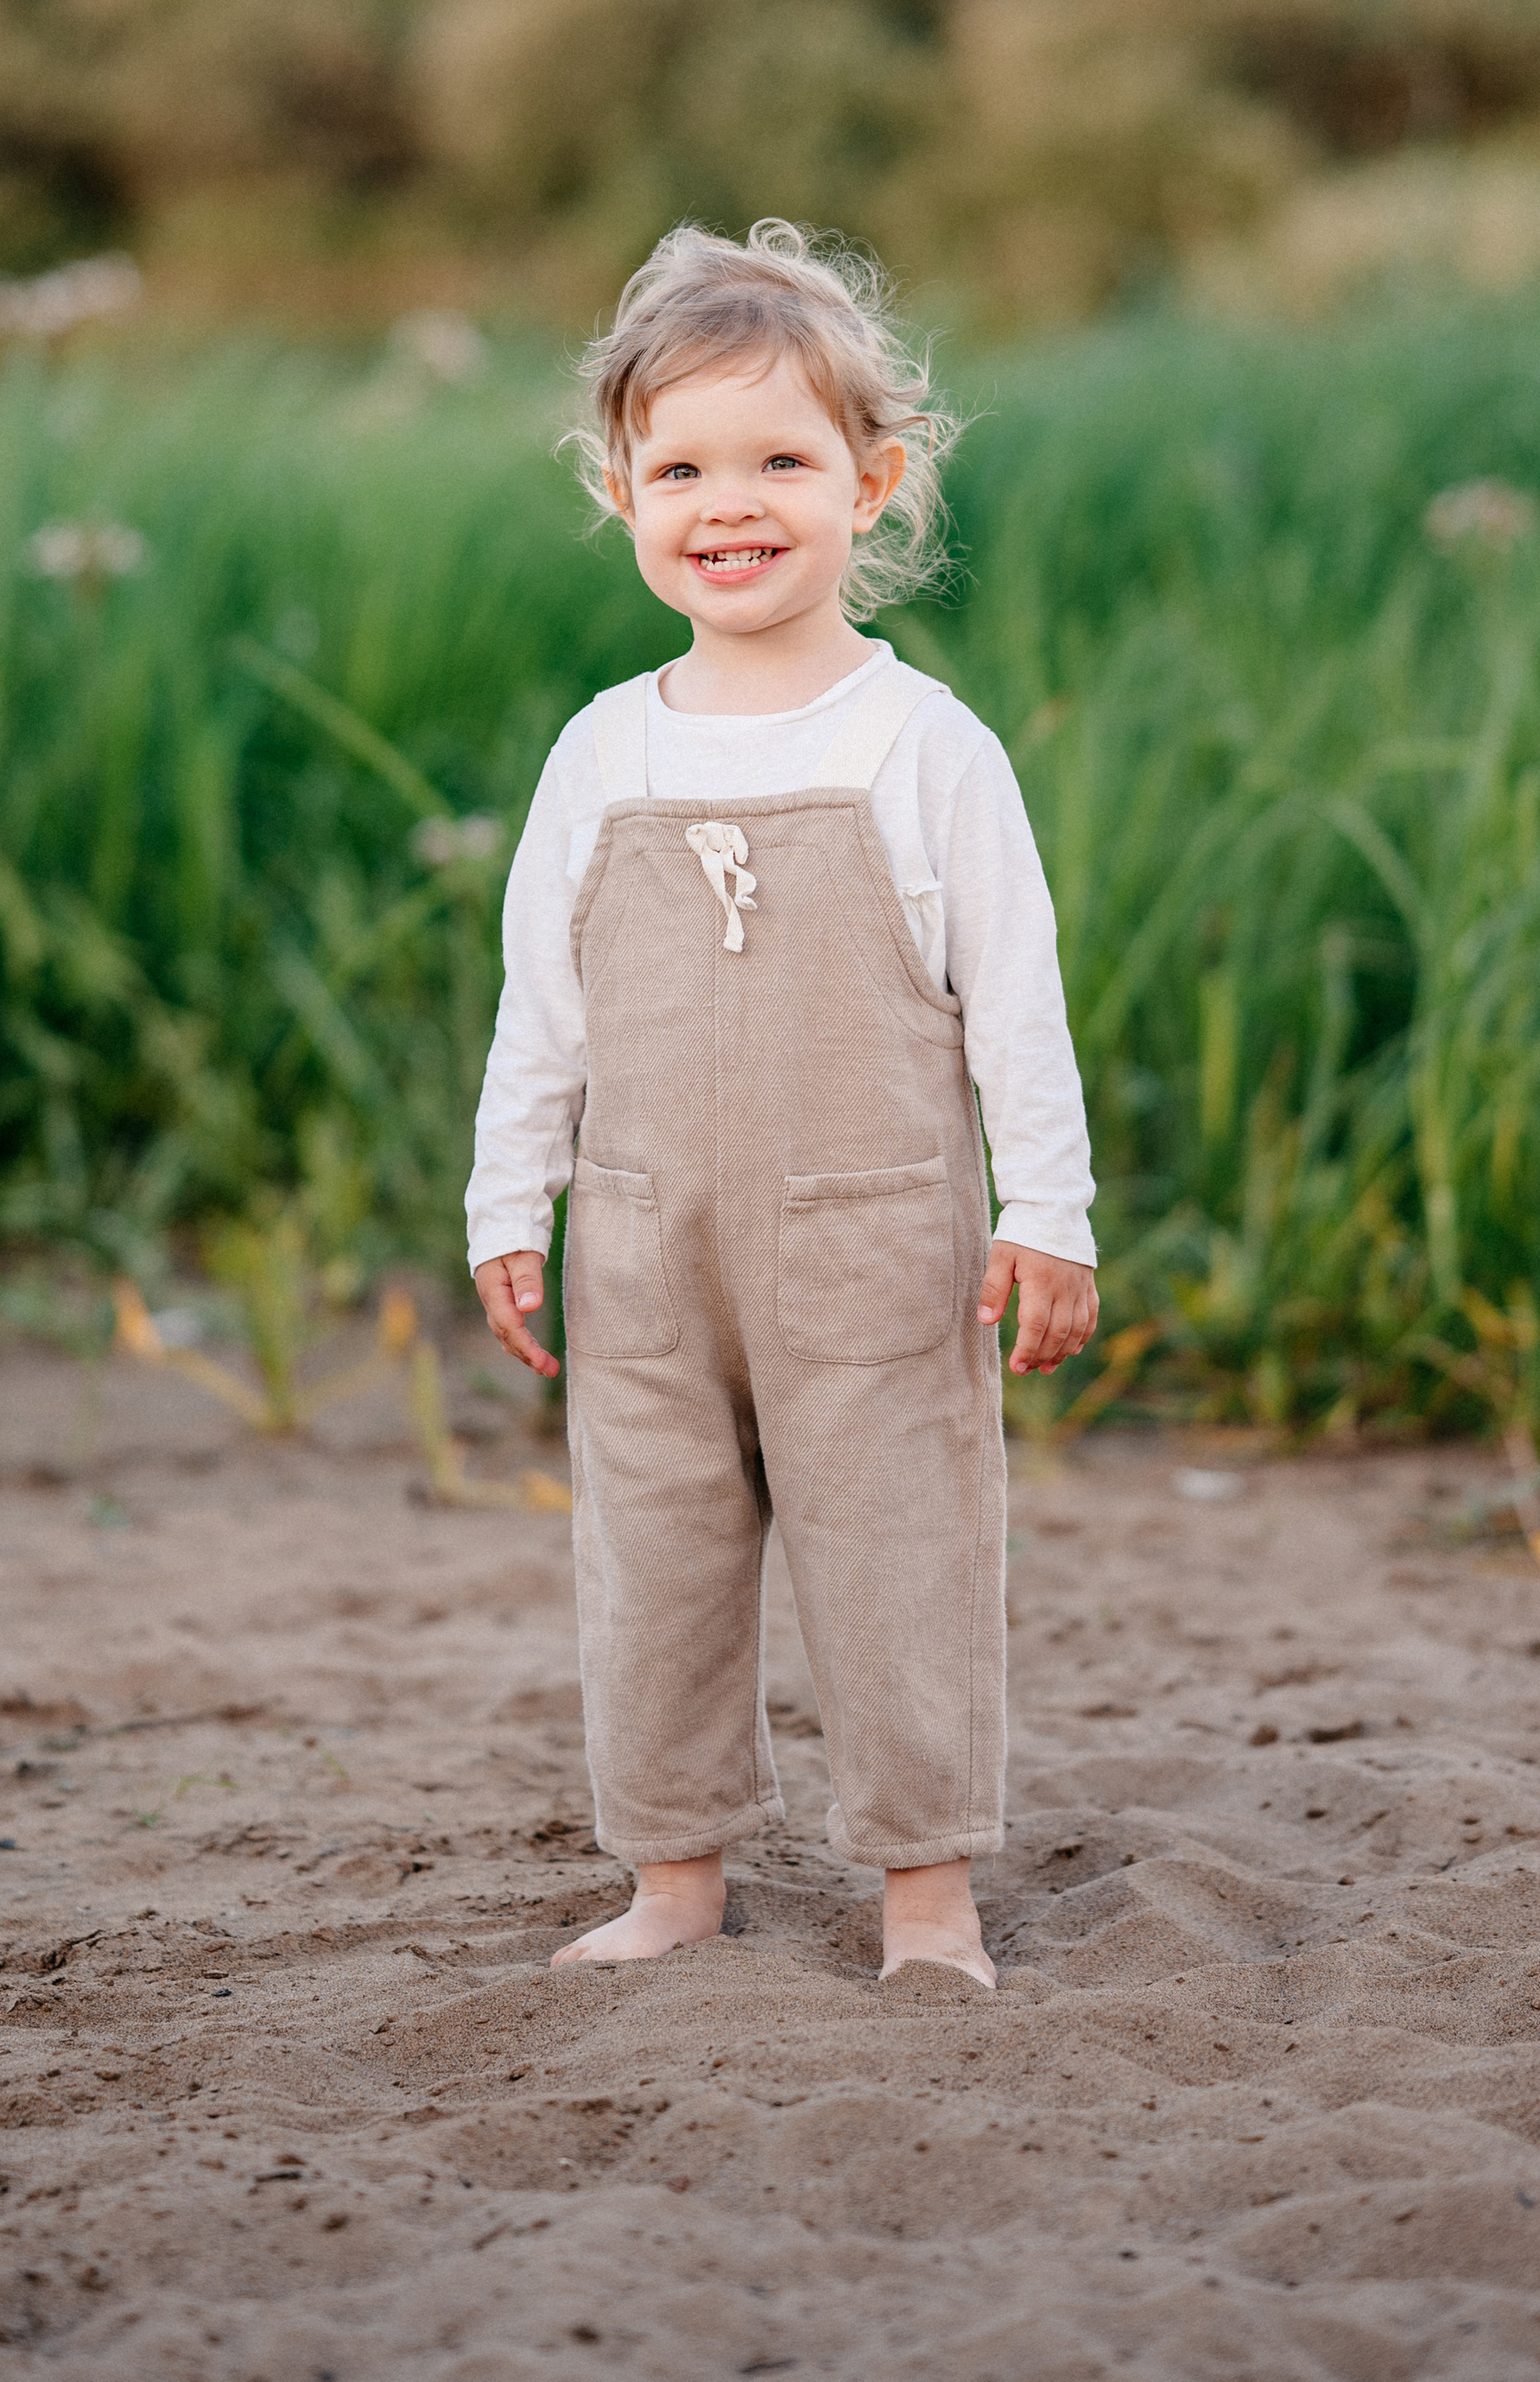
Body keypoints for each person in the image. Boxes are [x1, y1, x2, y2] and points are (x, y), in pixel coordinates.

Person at [468, 219, 1098, 1990]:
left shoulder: (923, 747)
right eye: (677, 465)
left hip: (877, 1243)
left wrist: (1046, 1210)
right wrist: (504, 1205)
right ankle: (672, 1878)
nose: (724, 504)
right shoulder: (602, 748)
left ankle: (925, 1900)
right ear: (619, 492)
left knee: (899, 1549)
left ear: (869, 482)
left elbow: (1016, 1010)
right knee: (650, 1556)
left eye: (778, 461)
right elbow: (546, 1007)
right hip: (648, 1241)